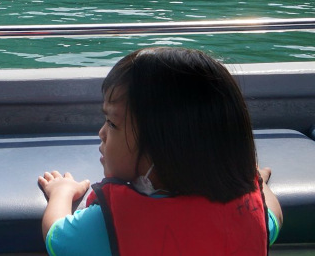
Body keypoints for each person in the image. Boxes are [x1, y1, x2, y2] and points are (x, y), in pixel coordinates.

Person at [37, 47, 283, 255]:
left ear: (164, 149)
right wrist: (258, 182)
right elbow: (274, 216)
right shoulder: (250, 212)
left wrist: (61, 193)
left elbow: (57, 237)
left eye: (112, 123)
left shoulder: (107, 224)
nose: (102, 133)